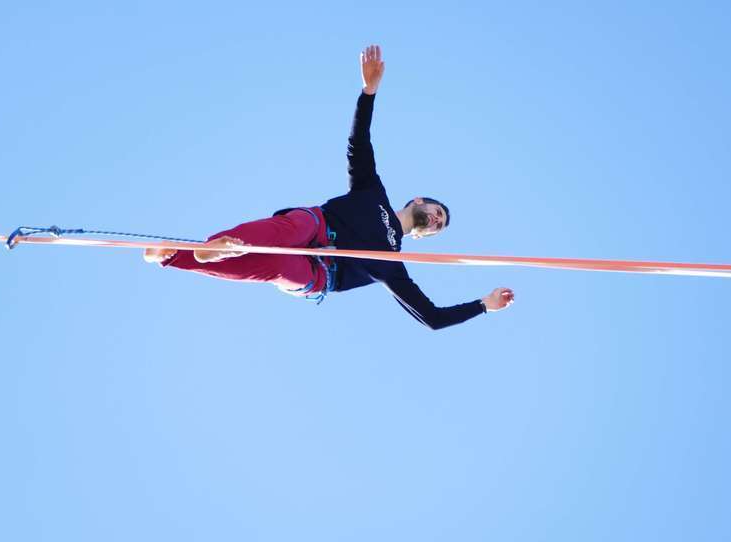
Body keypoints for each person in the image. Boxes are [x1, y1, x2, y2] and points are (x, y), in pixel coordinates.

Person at [145, 44, 514, 330]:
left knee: (278, 263)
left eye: (438, 225)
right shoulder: (373, 193)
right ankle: (216, 247)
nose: (436, 220)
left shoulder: (393, 265)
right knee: (292, 228)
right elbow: (359, 143)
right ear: (418, 200)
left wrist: (484, 304)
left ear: (423, 236)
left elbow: (432, 318)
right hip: (315, 226)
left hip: (319, 272)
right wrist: (368, 93)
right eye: (438, 212)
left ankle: (175, 257)